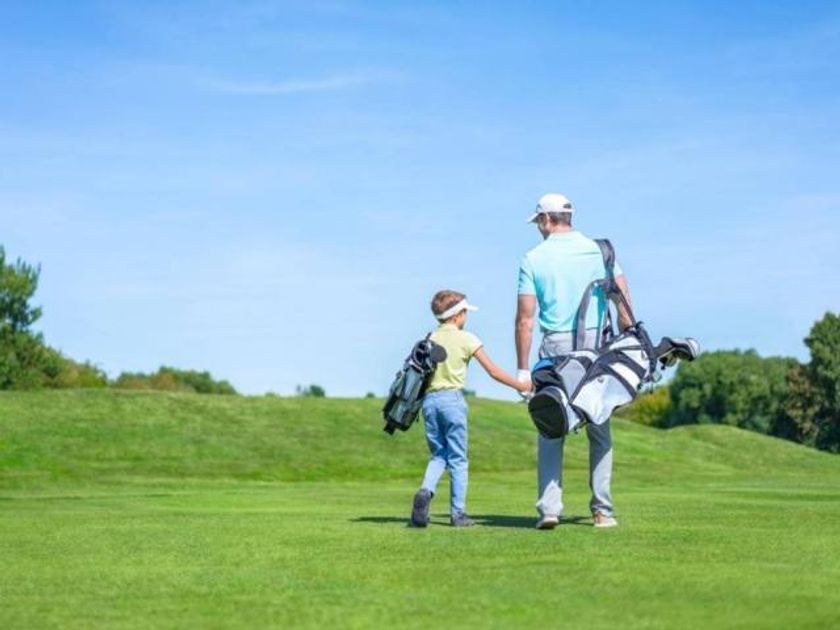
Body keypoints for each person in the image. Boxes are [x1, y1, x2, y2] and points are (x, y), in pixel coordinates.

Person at [515, 193, 634, 530]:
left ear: (545, 219)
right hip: (596, 349)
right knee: (599, 427)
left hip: (556, 349)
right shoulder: (600, 251)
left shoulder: (533, 258)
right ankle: (602, 511)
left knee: (551, 424)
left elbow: (525, 319)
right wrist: (627, 345)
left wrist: (523, 370)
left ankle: (549, 510)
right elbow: (623, 303)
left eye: (538, 222)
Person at [411, 290, 532, 528]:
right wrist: (521, 385)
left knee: (439, 455)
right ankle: (458, 514)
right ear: (457, 314)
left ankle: (426, 490)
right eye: (465, 312)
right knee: (458, 458)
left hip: (429, 402)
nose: (466, 316)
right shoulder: (467, 339)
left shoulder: (430, 337)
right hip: (452, 401)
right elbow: (493, 371)